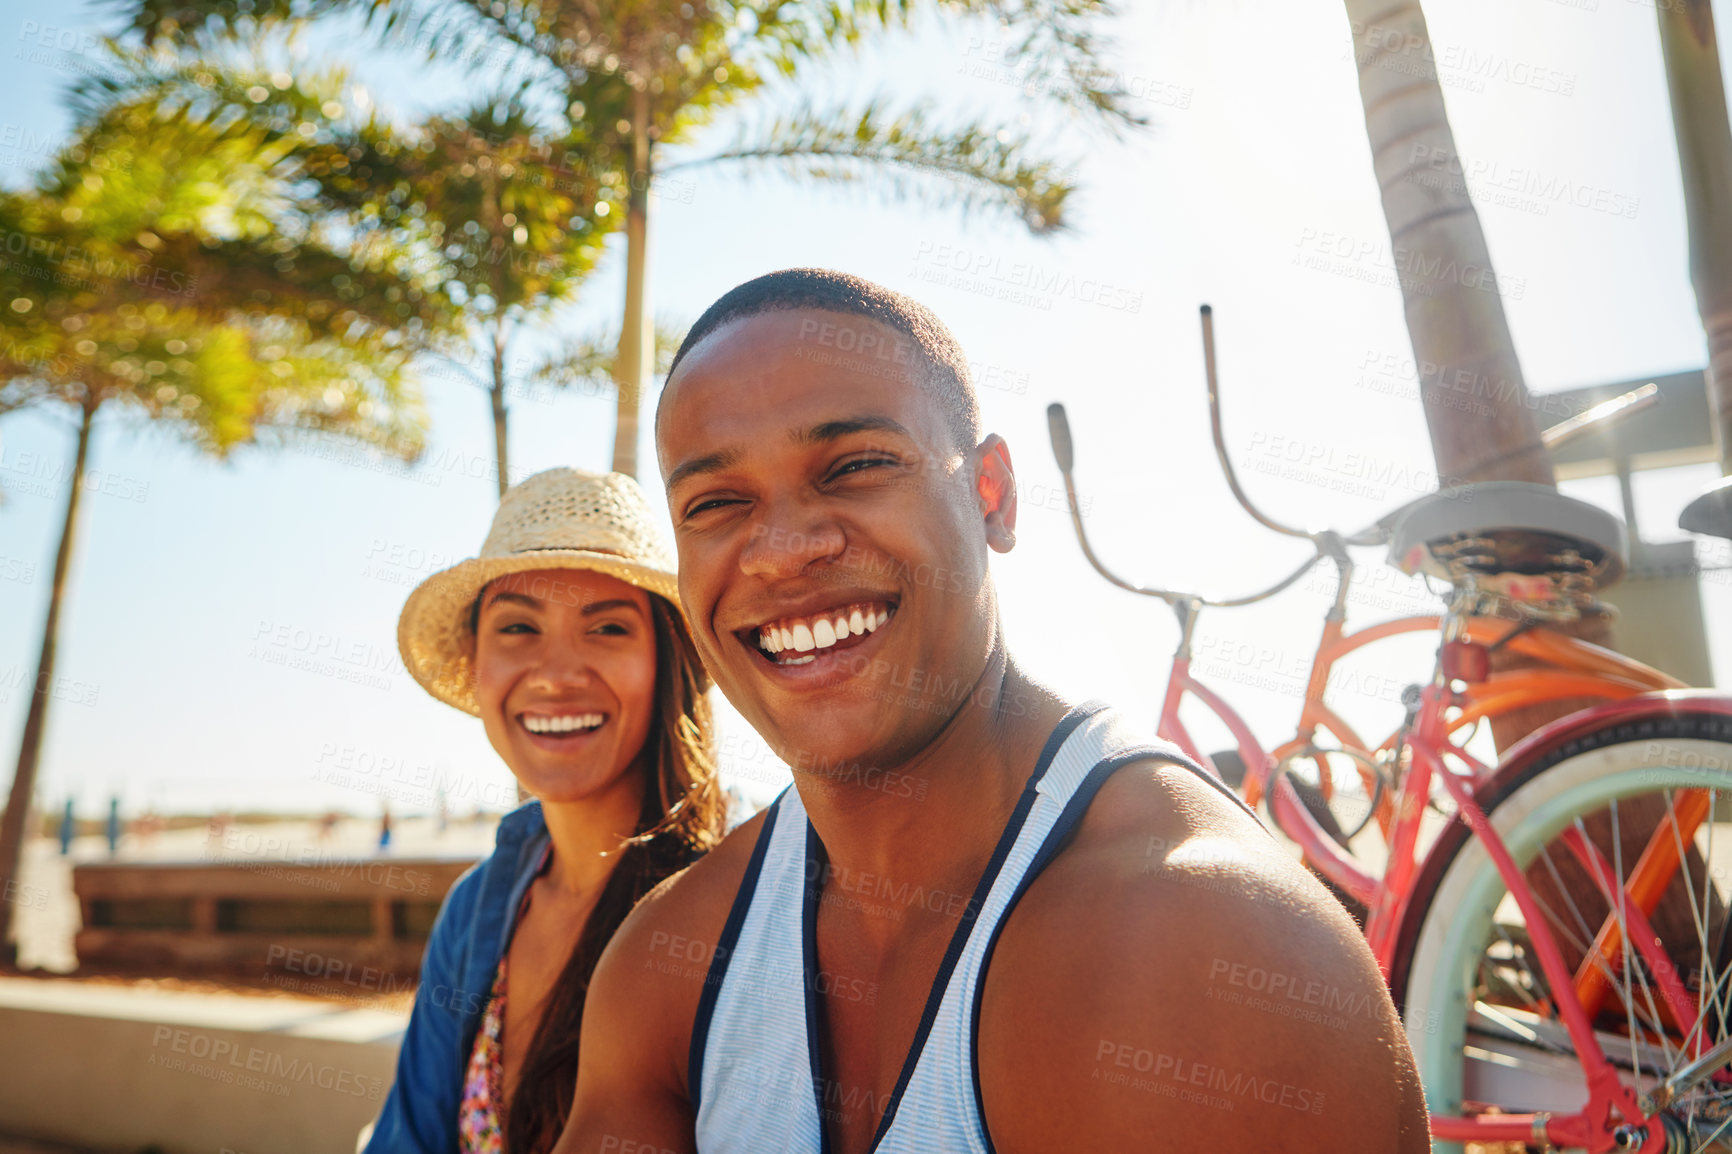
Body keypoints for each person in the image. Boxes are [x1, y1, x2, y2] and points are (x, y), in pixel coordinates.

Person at [554, 270, 1428, 1152]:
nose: (783, 551)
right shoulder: (669, 962)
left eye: (856, 465)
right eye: (717, 503)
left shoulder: (1190, 944)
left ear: (993, 495)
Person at [366, 468, 726, 1154]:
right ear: (476, 663)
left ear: (667, 659)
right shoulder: (475, 911)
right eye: (519, 628)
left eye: (608, 628)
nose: (556, 673)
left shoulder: (733, 906)